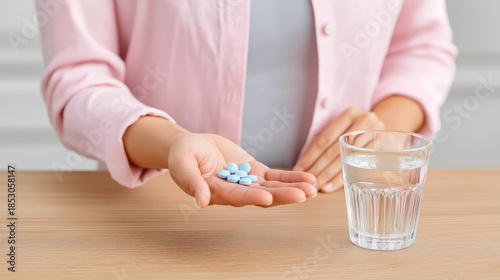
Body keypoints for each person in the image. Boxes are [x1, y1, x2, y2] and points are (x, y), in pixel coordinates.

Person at [37, 0, 456, 208]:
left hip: (336, 211)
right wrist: (172, 143)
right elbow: (77, 78)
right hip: (162, 217)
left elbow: (422, 46)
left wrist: (383, 125)